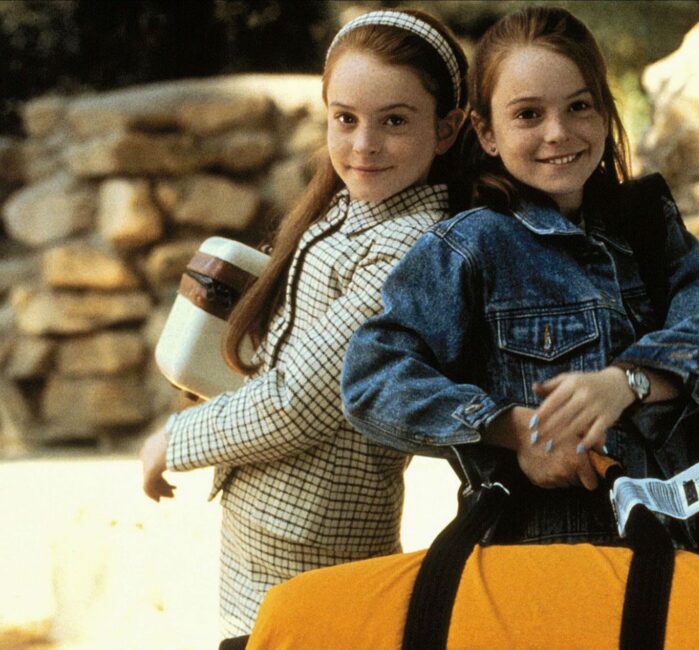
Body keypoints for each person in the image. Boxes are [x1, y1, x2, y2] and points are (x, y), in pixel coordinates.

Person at [341, 6, 699, 546]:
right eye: (528, 114)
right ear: (486, 132)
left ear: (604, 113)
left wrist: (627, 382)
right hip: (535, 559)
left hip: (676, 547)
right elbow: (372, 379)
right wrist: (515, 430)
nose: (558, 133)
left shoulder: (647, 226)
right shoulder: (470, 246)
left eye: (579, 106)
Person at [138, 9, 468, 635]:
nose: (364, 144)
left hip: (316, 550)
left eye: (395, 121)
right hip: (270, 538)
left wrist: (173, 441)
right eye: (346, 119)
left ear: (447, 129)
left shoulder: (408, 247)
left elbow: (299, 402)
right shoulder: (348, 213)